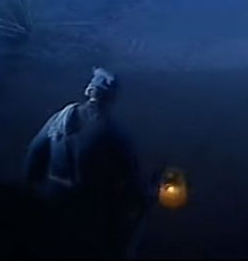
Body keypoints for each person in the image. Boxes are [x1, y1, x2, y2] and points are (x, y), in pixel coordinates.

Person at [23, 67, 153, 258]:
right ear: (112, 98)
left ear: (89, 91)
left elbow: (34, 154)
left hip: (50, 200)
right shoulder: (113, 132)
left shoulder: (59, 119)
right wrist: (145, 196)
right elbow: (131, 178)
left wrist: (31, 193)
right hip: (87, 213)